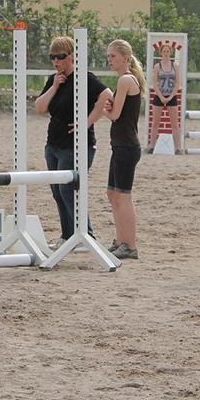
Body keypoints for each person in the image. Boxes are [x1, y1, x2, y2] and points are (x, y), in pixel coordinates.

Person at [34, 36, 113, 247]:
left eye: (60, 57)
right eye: (52, 57)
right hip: (53, 144)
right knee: (57, 191)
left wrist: (86, 123)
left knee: (68, 190)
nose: (56, 61)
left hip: (78, 146)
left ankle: (86, 235)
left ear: (70, 57)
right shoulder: (54, 80)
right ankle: (68, 235)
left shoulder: (85, 78)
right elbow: (40, 108)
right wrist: (54, 88)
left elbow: (107, 96)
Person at [102, 39, 144, 260]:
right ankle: (120, 240)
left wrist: (104, 110)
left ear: (125, 58)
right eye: (109, 56)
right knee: (113, 194)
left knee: (123, 196)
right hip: (120, 145)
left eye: (113, 56)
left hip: (126, 145)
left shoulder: (126, 80)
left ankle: (130, 244)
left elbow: (115, 115)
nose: (110, 60)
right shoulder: (126, 80)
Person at [146, 41, 182, 153]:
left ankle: (178, 148)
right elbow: (155, 83)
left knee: (175, 124)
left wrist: (171, 96)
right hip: (159, 96)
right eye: (164, 51)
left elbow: (177, 83)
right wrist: (161, 96)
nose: (166, 53)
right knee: (155, 123)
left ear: (170, 53)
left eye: (167, 51)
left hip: (171, 96)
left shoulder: (175, 66)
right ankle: (151, 146)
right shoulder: (157, 66)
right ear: (161, 53)